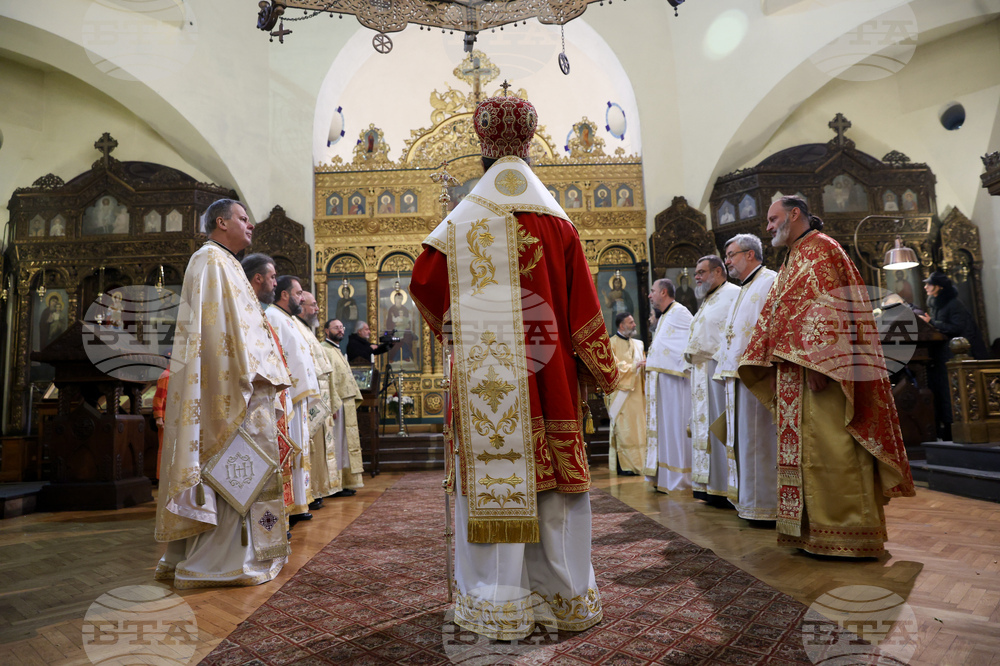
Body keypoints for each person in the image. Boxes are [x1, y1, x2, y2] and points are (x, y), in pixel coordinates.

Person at [410, 91, 621, 641]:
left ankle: (495, 603)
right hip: (549, 383)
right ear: (529, 147)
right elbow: (585, 314)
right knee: (553, 498)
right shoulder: (558, 223)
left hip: (487, 391)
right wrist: (601, 373)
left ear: (482, 150)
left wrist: (454, 328)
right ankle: (564, 598)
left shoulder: (461, 221)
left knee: (494, 486)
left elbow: (424, 282)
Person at [739, 196, 915, 557]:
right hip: (793, 374)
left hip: (821, 375)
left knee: (831, 450)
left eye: (773, 219)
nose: (768, 226)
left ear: (794, 213)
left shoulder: (824, 249)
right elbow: (781, 314)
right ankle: (809, 531)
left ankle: (847, 532)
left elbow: (835, 310)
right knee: (804, 454)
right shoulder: (794, 256)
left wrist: (821, 364)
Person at [154, 199, 291, 588]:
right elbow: (214, 335)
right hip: (230, 388)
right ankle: (228, 559)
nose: (251, 226)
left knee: (249, 468)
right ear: (221, 221)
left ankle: (253, 551)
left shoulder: (226, 262)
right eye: (244, 219)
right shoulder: (210, 260)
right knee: (234, 467)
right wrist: (237, 381)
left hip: (248, 385)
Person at [711, 234, 778, 522]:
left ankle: (766, 506)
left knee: (760, 441)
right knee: (743, 442)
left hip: (759, 375)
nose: (727, 261)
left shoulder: (770, 281)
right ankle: (749, 503)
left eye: (731, 254)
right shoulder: (743, 288)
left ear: (750, 254)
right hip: (736, 376)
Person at [265, 275, 321, 525]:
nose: (302, 297)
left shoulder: (288, 319)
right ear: (285, 295)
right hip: (287, 395)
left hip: (297, 396)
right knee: (293, 450)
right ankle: (293, 504)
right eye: (299, 293)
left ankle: (301, 500)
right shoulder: (274, 317)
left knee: (300, 449)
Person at [685, 255, 740, 507]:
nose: (697, 276)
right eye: (696, 272)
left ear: (718, 272)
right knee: (705, 428)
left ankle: (725, 487)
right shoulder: (708, 299)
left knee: (720, 428)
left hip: (718, 372)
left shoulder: (733, 294)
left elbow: (736, 333)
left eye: (701, 272)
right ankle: (709, 486)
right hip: (701, 373)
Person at [645, 278, 694, 493]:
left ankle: (679, 477)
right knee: (665, 429)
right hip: (663, 382)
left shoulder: (680, 313)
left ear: (663, 292)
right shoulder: (666, 316)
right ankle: (665, 476)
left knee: (675, 428)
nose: (650, 295)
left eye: (653, 291)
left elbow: (691, 341)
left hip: (676, 382)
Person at [293, 291, 341, 507]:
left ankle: (317, 490)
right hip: (307, 399)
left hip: (319, 399)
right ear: (301, 305)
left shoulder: (306, 329)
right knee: (312, 448)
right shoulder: (294, 326)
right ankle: (310, 493)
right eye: (313, 305)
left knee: (320, 448)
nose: (317, 309)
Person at [322, 318, 366, 496]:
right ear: (326, 330)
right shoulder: (324, 350)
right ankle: (336, 484)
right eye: (336, 327)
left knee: (347, 445)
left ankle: (347, 481)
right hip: (337, 404)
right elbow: (327, 379)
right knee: (338, 444)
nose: (340, 330)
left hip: (346, 403)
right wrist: (331, 404)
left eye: (342, 327)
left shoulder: (336, 349)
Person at [606, 313, 646, 476]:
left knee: (638, 429)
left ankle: (640, 463)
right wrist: (633, 366)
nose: (634, 324)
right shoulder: (610, 343)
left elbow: (642, 365)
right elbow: (612, 367)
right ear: (622, 326)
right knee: (624, 430)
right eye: (630, 322)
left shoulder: (639, 344)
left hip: (637, 393)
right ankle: (626, 466)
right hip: (620, 395)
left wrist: (644, 365)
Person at [152, 358, 170, 480]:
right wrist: (158, 417)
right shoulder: (166, 375)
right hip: (166, 419)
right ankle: (162, 478)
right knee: (164, 449)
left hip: (172, 418)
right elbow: (158, 397)